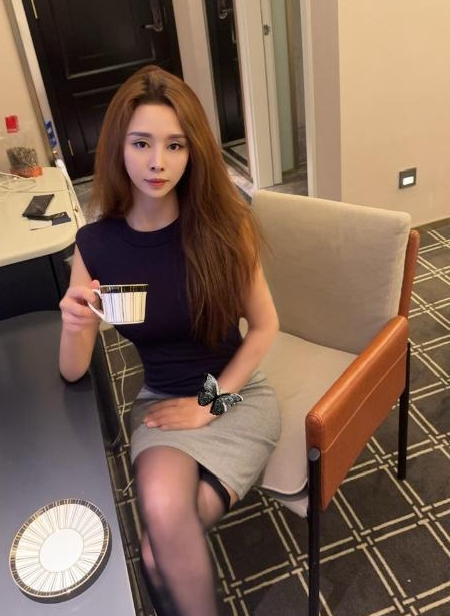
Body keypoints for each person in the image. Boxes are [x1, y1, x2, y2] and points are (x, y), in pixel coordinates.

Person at [59, 65, 280, 616]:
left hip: (235, 393)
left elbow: (265, 328)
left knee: (159, 550)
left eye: (175, 145)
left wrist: (210, 405)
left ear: (193, 151)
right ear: (118, 147)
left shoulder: (226, 226)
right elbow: (73, 371)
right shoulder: (96, 245)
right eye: (141, 143)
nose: (158, 162)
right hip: (160, 400)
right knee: (161, 524)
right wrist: (75, 324)